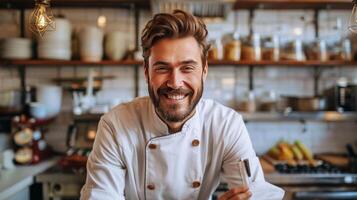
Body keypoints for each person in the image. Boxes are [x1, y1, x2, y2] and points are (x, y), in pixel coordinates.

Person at [80, 10, 284, 200]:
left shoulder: (225, 125)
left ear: (204, 70)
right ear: (146, 71)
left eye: (187, 68)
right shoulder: (116, 125)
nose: (175, 82)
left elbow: (255, 192)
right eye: (162, 68)